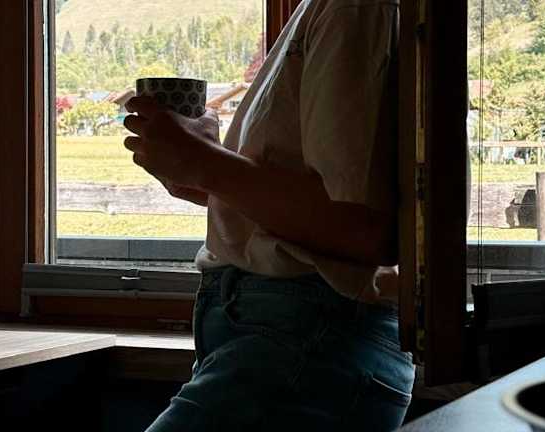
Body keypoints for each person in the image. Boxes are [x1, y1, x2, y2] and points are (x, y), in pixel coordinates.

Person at [123, 0, 415, 430]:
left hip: (307, 338)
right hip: (293, 338)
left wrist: (204, 162)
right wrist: (202, 172)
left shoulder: (351, 9)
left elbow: (366, 231)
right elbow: (335, 210)